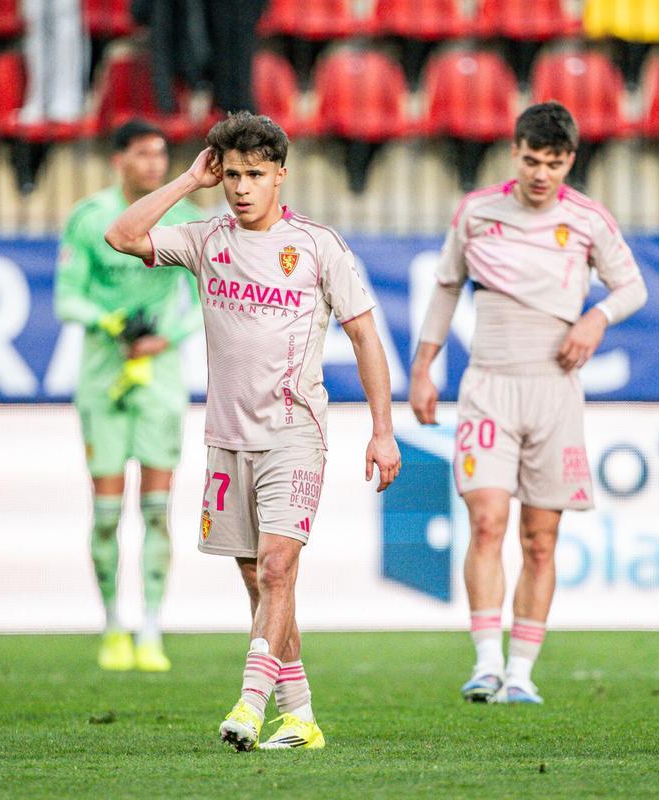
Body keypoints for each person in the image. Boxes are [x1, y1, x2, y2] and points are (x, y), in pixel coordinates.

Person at [104, 110, 401, 750]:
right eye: (232, 174)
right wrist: (188, 180)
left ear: (280, 176)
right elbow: (122, 235)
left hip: (295, 433)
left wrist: (383, 429)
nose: (241, 187)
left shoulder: (318, 246)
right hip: (226, 438)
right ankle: (300, 717)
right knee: (259, 579)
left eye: (255, 175)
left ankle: (248, 704)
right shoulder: (207, 238)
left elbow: (366, 336)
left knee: (276, 568)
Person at [409, 102, 647, 704]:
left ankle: (522, 672)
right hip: (488, 386)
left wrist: (596, 317)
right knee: (487, 520)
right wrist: (421, 369)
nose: (542, 174)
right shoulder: (477, 211)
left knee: (540, 538)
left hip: (554, 391)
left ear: (570, 160)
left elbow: (632, 287)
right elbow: (445, 288)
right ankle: (486, 662)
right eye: (533, 160)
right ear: (514, 152)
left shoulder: (587, 219)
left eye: (555, 162)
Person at [55, 120, 202, 672]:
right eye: (144, 155)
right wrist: (110, 322)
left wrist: (170, 337)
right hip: (103, 378)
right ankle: (113, 624)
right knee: (107, 513)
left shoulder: (186, 221)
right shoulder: (91, 219)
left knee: (159, 510)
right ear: (119, 159)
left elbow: (202, 301)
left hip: (160, 377)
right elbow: (68, 298)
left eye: (162, 155)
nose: (155, 165)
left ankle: (151, 628)